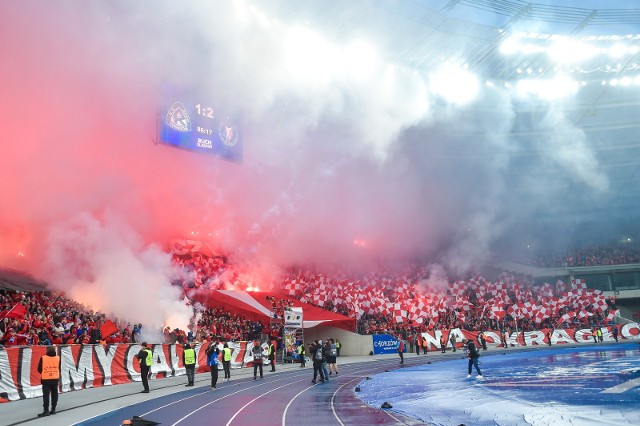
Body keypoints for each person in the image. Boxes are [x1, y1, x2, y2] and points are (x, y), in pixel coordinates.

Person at [37, 346, 60, 417]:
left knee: (46, 395)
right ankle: (53, 409)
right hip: (55, 377)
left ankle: (46, 410)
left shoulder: (43, 358)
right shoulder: (58, 358)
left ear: (47, 350)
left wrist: (45, 372)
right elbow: (59, 367)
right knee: (55, 394)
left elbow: (39, 369)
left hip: (46, 378)